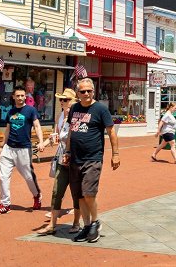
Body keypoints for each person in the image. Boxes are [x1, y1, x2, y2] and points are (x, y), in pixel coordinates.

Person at [64, 78, 120, 243]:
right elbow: (70, 132)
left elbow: (111, 132)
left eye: (89, 91)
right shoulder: (74, 108)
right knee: (79, 195)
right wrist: (67, 151)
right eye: (83, 91)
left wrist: (115, 154)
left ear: (93, 92)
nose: (86, 94)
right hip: (75, 158)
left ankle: (95, 221)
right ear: (78, 93)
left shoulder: (101, 109)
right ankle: (87, 226)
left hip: (93, 158)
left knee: (89, 193)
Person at [0, 87, 45, 215]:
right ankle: (5, 204)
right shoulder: (11, 112)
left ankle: (36, 195)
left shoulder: (31, 110)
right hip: (9, 148)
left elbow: (37, 126)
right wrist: (1, 146)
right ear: (13, 97)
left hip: (24, 148)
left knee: (28, 176)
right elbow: (8, 130)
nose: (20, 98)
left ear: (25, 97)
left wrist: (41, 141)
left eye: (22, 95)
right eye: (18, 96)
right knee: (3, 176)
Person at [37, 88, 81, 235]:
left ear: (73, 102)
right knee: (57, 189)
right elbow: (56, 135)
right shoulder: (59, 116)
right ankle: (52, 224)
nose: (62, 102)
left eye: (65, 99)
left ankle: (76, 222)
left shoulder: (77, 116)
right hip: (62, 155)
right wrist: (44, 143)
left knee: (76, 192)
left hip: (75, 156)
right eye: (61, 99)